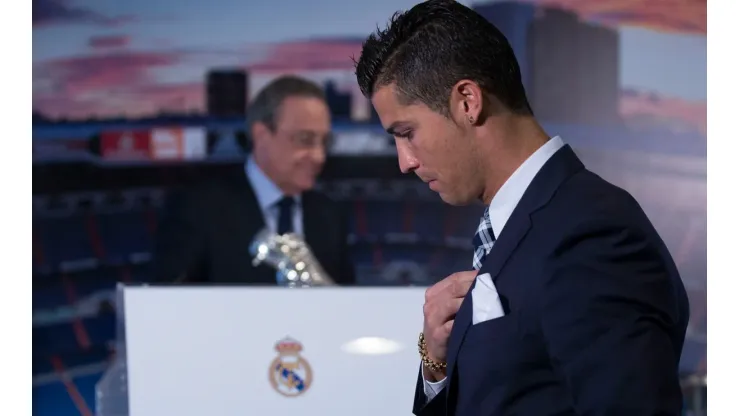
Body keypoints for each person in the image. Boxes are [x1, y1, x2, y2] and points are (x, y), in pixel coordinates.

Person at [354, 1, 689, 415]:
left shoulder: (592, 233)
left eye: (406, 133)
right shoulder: (520, 223)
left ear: (467, 102)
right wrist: (437, 363)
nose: (404, 161)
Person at [153, 75, 355, 285]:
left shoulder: (329, 216)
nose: (318, 156)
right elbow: (170, 302)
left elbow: (348, 306)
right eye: (305, 139)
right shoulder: (198, 209)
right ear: (261, 135)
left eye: (324, 142)